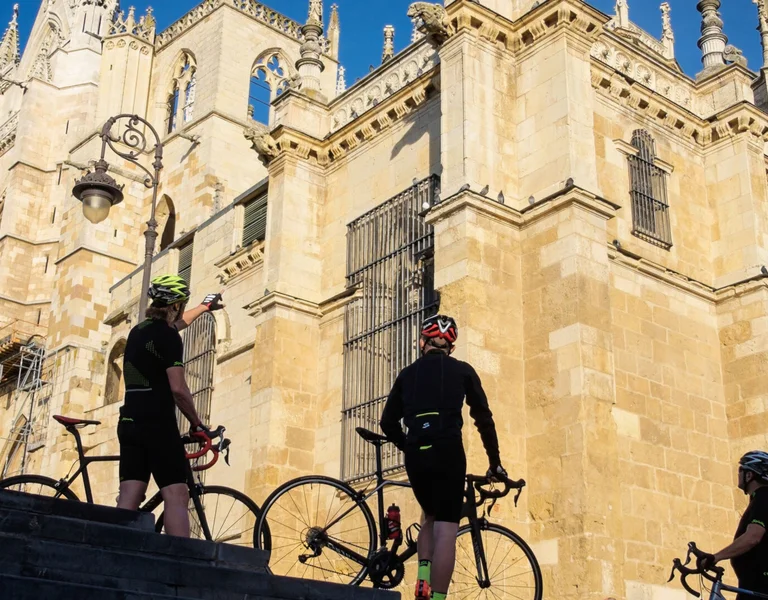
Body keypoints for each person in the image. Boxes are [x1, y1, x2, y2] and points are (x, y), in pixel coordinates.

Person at [379, 314, 507, 600]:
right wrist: (494, 461)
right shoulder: (462, 371)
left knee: (429, 514)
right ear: (451, 346)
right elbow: (483, 417)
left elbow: (387, 423)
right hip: (449, 452)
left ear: (422, 341)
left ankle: (422, 577)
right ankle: (436, 597)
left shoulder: (407, 374)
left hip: (417, 456)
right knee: (447, 526)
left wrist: (409, 445)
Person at [116, 275, 224, 537]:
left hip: (129, 422)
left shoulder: (138, 331)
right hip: (157, 424)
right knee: (176, 493)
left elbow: (173, 327)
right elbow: (178, 388)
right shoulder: (170, 338)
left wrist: (204, 307)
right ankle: (180, 561)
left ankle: (113, 548)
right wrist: (197, 423)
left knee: (130, 494)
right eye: (183, 305)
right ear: (175, 306)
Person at [699, 451, 768, 599]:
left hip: (760, 585)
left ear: (749, 475)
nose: (738, 476)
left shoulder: (763, 497)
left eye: (740, 471)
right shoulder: (758, 499)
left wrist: (716, 557)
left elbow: (753, 537)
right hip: (752, 585)